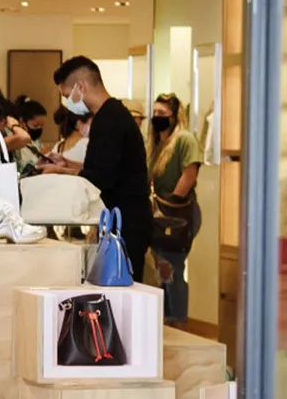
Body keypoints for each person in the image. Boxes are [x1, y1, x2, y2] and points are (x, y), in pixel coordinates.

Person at [45, 56, 152, 278]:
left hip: (126, 222)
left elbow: (101, 177)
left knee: (122, 285)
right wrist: (67, 163)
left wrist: (61, 172)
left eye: (67, 95)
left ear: (81, 87)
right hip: (124, 218)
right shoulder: (112, 114)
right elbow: (106, 165)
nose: (67, 102)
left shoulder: (109, 119)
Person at [149, 91, 204, 322]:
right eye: (154, 112)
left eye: (162, 112)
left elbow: (189, 175)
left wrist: (171, 204)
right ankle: (166, 321)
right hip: (159, 213)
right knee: (162, 270)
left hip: (177, 212)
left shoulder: (184, 139)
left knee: (172, 268)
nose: (156, 116)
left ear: (174, 116)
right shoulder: (157, 145)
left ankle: (178, 321)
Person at [11, 95, 50, 174]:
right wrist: (38, 161)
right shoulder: (15, 142)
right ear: (22, 121)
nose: (39, 128)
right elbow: (21, 169)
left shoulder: (37, 142)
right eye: (35, 125)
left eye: (41, 125)